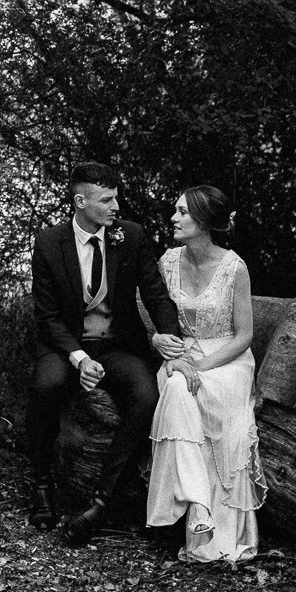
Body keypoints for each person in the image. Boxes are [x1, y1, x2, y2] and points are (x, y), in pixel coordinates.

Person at [25, 161, 186, 546]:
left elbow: (155, 293)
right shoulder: (49, 242)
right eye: (107, 199)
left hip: (117, 344)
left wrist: (169, 339)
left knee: (147, 398)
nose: (116, 207)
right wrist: (79, 359)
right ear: (81, 202)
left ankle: (101, 502)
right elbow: (46, 317)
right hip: (65, 346)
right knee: (47, 385)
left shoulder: (130, 236)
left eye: (116, 198)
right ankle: (41, 485)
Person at [144, 184, 266, 563]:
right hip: (182, 357)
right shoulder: (167, 262)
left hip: (226, 360)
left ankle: (209, 514)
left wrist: (202, 365)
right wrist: (160, 345)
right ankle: (199, 506)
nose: (174, 218)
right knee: (178, 386)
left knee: (187, 388)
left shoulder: (234, 267)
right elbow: (154, 322)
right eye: (176, 211)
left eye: (182, 212)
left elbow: (244, 335)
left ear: (204, 221)